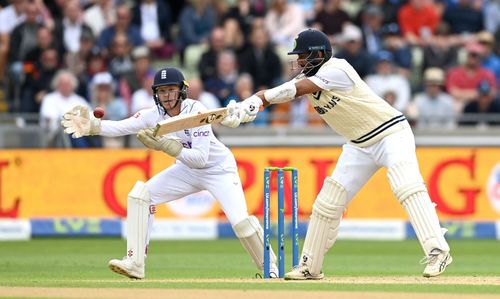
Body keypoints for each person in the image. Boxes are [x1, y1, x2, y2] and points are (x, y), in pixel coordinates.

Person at [221, 29, 453, 280]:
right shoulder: (310, 76)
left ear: (319, 54)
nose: (298, 62)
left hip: (391, 133)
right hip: (358, 144)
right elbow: (281, 91)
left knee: (405, 184)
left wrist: (263, 99)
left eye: (302, 56)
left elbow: (292, 91)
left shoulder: (337, 69)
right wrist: (247, 106)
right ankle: (310, 266)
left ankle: (438, 251)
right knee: (327, 204)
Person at [60, 67, 278, 279]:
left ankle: (270, 267)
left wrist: (166, 146)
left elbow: (201, 158)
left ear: (182, 90)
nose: (166, 95)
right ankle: (135, 263)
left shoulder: (197, 111)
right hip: (186, 170)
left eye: (171, 90)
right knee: (141, 196)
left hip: (218, 169)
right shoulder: (153, 114)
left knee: (241, 222)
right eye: (161, 91)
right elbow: (121, 127)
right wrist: (93, 127)